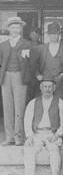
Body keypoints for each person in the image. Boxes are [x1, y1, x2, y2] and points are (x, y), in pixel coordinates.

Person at [23, 78, 63, 175]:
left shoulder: (60, 102)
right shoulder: (33, 102)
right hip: (37, 133)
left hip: (52, 133)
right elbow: (27, 120)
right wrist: (29, 136)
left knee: (54, 150)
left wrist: (58, 135)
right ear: (41, 88)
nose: (47, 89)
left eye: (50, 87)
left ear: (54, 88)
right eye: (45, 86)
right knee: (28, 149)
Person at [0, 16, 33, 146]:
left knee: (19, 107)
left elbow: (31, 63)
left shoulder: (27, 44)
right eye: (13, 27)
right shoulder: (2, 45)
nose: (15, 29)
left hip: (20, 76)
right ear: (8, 28)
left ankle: (19, 136)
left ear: (21, 28)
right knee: (7, 106)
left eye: (17, 27)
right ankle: (9, 137)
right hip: (6, 76)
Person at [31, 22, 63, 100]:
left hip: (60, 81)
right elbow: (33, 64)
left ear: (59, 35)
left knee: (60, 104)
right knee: (45, 105)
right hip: (45, 81)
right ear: (48, 35)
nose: (54, 36)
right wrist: (37, 75)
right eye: (52, 34)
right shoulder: (40, 48)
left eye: (56, 34)